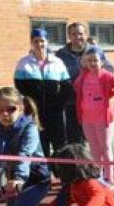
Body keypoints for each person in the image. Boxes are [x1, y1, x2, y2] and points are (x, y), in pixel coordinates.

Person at [14, 28, 72, 158]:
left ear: (47, 42)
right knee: (40, 143)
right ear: (31, 43)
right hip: (35, 112)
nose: (39, 44)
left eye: (42, 41)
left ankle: (63, 174)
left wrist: (59, 105)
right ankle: (43, 175)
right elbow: (20, 89)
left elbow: (67, 87)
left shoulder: (57, 62)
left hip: (55, 113)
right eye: (36, 41)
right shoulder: (23, 63)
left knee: (60, 144)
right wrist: (30, 106)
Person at [55, 22, 114, 145]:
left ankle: (95, 163)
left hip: (93, 103)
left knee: (94, 139)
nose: (77, 37)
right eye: (74, 34)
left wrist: (91, 69)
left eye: (80, 34)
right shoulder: (61, 54)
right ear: (69, 36)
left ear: (86, 34)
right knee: (73, 138)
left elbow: (110, 70)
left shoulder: (96, 51)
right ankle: (78, 164)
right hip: (71, 102)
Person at [74, 46, 114, 187]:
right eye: (89, 61)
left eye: (95, 60)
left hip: (103, 118)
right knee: (94, 149)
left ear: (101, 61)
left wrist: (110, 93)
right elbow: (76, 86)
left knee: (105, 148)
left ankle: (109, 179)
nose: (92, 64)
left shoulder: (106, 75)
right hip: (87, 118)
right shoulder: (83, 76)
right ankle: (98, 177)